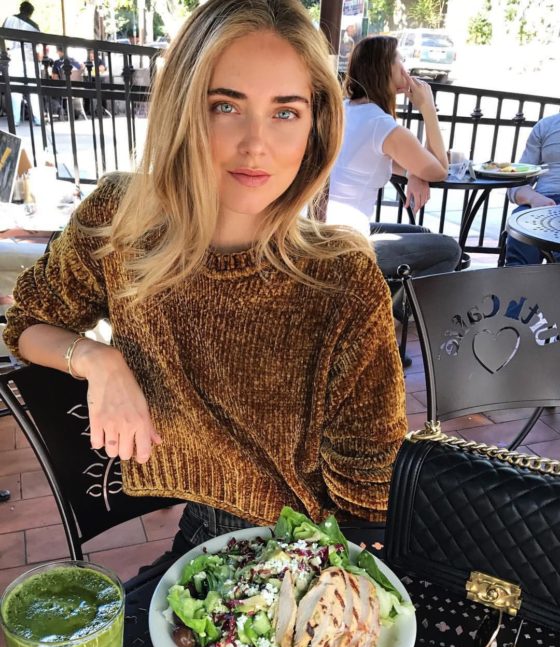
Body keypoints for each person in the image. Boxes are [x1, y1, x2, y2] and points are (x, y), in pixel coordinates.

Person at [4, 0, 407, 553]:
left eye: (285, 112)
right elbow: (27, 321)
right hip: (200, 537)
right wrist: (97, 359)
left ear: (316, 125)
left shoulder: (342, 278)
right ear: (184, 108)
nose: (255, 144)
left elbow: (371, 492)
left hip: (315, 548)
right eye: (225, 106)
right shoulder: (121, 218)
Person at [326, 36, 461, 324]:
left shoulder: (346, 108)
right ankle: (379, 318)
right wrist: (428, 108)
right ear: (383, 69)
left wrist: (415, 172)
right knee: (450, 249)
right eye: (399, 60)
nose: (405, 67)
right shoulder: (381, 125)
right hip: (346, 245)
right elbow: (440, 170)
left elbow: (411, 165)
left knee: (422, 234)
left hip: (327, 230)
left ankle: (378, 305)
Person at [505, 113, 560, 266]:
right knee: (521, 229)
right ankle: (518, 286)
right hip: (544, 202)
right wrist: (534, 199)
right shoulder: (546, 126)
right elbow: (517, 182)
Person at [1, 1, 42, 126]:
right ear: (30, 13)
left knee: (15, 89)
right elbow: (39, 46)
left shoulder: (9, 20)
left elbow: (1, 36)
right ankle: (38, 118)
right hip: (29, 57)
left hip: (15, 56)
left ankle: (15, 119)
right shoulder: (34, 25)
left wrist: (4, 52)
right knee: (34, 89)